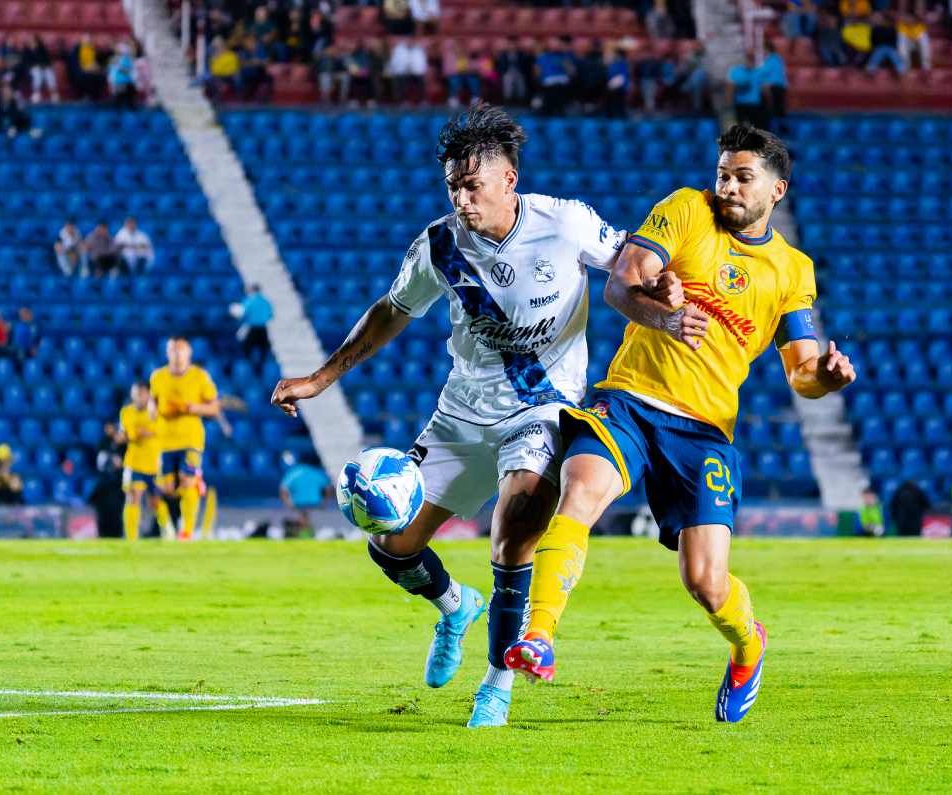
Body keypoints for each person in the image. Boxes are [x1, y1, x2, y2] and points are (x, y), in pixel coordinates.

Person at [270, 104, 627, 729]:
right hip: (461, 414)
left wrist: (670, 294)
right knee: (391, 543)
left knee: (514, 532)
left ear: (509, 179)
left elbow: (631, 260)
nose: (462, 199)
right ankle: (456, 606)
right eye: (453, 187)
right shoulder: (439, 244)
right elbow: (393, 310)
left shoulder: (566, 224)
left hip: (541, 408)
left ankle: (496, 683)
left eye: (472, 185)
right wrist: (320, 379)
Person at [501, 124, 857, 725]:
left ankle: (748, 647)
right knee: (579, 492)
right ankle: (539, 636)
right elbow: (621, 285)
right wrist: (664, 318)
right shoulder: (688, 209)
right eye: (724, 174)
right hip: (630, 399)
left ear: (777, 190)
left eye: (743, 178)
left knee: (705, 582)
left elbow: (801, 373)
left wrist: (825, 375)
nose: (728, 187)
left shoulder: (792, 269)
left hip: (704, 431)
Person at [150, 336, 220, 541]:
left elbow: (214, 408)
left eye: (181, 350)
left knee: (188, 481)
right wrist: (156, 411)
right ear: (167, 353)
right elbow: (153, 405)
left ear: (189, 352)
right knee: (165, 487)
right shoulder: (158, 377)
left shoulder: (200, 376)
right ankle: (167, 527)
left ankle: (186, 532)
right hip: (164, 441)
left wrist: (190, 407)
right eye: (173, 350)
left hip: (191, 440)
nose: (177, 354)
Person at [119, 382, 173, 541]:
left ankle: (168, 529)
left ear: (148, 394)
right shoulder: (126, 412)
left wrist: (138, 432)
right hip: (134, 462)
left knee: (155, 501)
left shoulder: (157, 412)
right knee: (133, 496)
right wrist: (141, 432)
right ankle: (131, 538)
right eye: (135, 394)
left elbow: (160, 431)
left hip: (154, 464)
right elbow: (127, 434)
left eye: (141, 394)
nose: (138, 397)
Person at [279, 451, 333, 537]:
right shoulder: (316, 472)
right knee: (315, 531)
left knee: (301, 528)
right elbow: (328, 488)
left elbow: (283, 489)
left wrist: (288, 503)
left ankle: (299, 533)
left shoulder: (293, 472)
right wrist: (324, 502)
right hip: (315, 505)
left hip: (297, 505)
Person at [232, 284, 274, 364]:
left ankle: (249, 363)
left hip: (252, 328)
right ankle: (262, 364)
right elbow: (270, 315)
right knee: (263, 348)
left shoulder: (249, 301)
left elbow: (241, 313)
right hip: (262, 328)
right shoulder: (265, 301)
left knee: (248, 347)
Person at [728, 52, 767, 130]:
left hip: (754, 105)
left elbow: (764, 89)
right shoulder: (736, 71)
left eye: (751, 59)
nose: (749, 61)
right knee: (742, 128)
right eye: (748, 59)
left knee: (755, 128)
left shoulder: (759, 71)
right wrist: (729, 103)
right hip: (741, 104)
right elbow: (730, 87)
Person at [25, 34, 60, 103]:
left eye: (33, 41)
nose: (32, 42)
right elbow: (26, 62)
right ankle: (36, 94)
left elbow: (47, 60)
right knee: (37, 74)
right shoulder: (26, 50)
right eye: (30, 41)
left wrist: (44, 66)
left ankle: (54, 94)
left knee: (49, 73)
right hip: (33, 68)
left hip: (44, 67)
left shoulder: (42, 49)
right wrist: (35, 66)